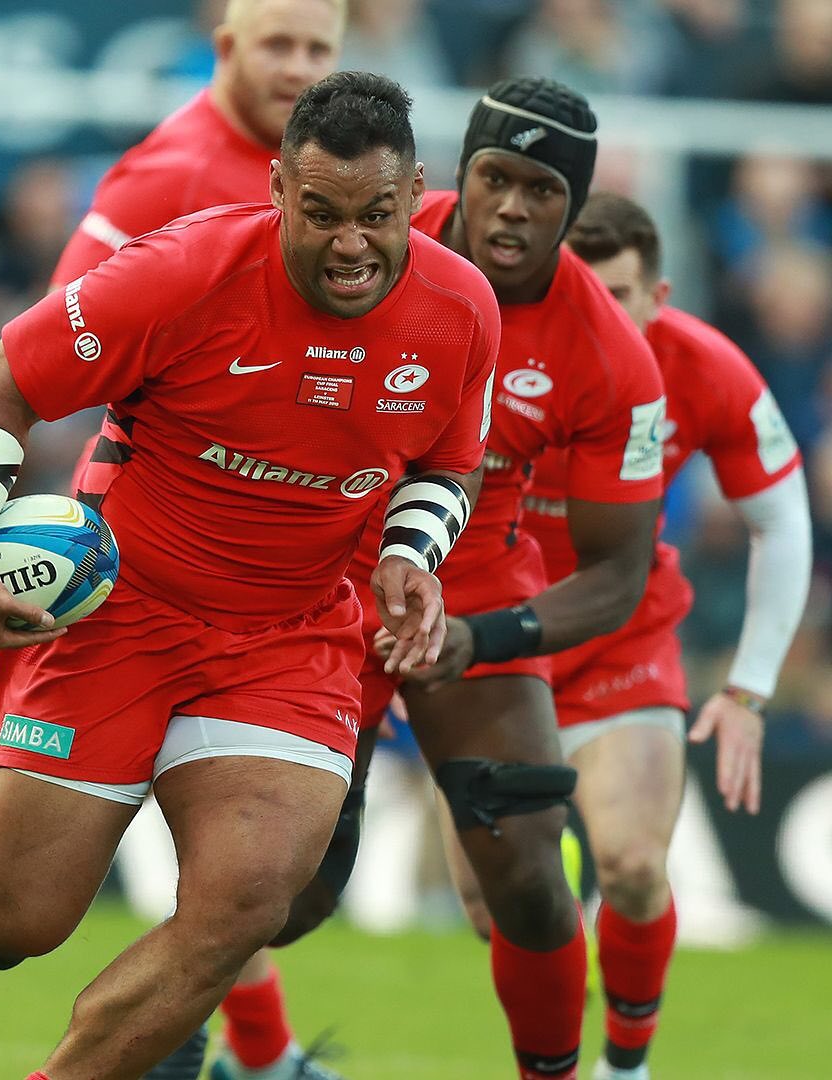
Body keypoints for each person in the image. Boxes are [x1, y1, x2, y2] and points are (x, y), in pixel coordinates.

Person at [0, 2, 346, 1071]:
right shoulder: (167, 176)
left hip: (297, 534)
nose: (300, 66)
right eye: (280, 43)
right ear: (224, 46)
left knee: (218, 817)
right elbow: (57, 330)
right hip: (160, 532)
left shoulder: (332, 181)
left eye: (321, 48)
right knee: (192, 807)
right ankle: (258, 1057)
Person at [0, 72, 500, 1080]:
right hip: (122, 610)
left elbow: (450, 462)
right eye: (323, 213)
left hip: (291, 634)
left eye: (380, 215)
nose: (352, 244)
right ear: (278, 185)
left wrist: (411, 556)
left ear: (417, 191)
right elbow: (5, 386)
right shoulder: (180, 272)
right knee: (12, 924)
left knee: (243, 907)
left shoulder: (463, 310)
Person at [229, 76, 667, 1080]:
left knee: (527, 881)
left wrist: (487, 638)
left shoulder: (610, 356)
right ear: (455, 177)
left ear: (575, 203)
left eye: (544, 190)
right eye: (494, 178)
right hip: (321, 588)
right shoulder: (365, 239)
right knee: (277, 897)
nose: (513, 206)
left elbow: (618, 572)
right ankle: (216, 1053)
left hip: (472, 599)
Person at [522, 192, 809, 1080]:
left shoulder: (706, 368)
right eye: (583, 292)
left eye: (620, 295)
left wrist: (750, 687)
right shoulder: (497, 342)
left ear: (661, 295)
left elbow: (784, 521)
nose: (599, 315)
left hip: (624, 639)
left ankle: (626, 1066)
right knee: (508, 908)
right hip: (501, 645)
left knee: (638, 865)